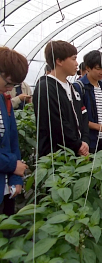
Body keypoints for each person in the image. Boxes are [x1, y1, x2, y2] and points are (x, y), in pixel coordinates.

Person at [33, 40, 90, 158]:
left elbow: (83, 115)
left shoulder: (72, 87)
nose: (77, 63)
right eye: (73, 59)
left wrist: (84, 141)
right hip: (56, 157)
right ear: (59, 61)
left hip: (74, 154)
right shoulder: (46, 87)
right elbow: (56, 123)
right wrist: (78, 144)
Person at [0, 47, 28, 219]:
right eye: (8, 83)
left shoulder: (4, 100)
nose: (9, 89)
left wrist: (16, 178)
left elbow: (12, 141)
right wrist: (12, 164)